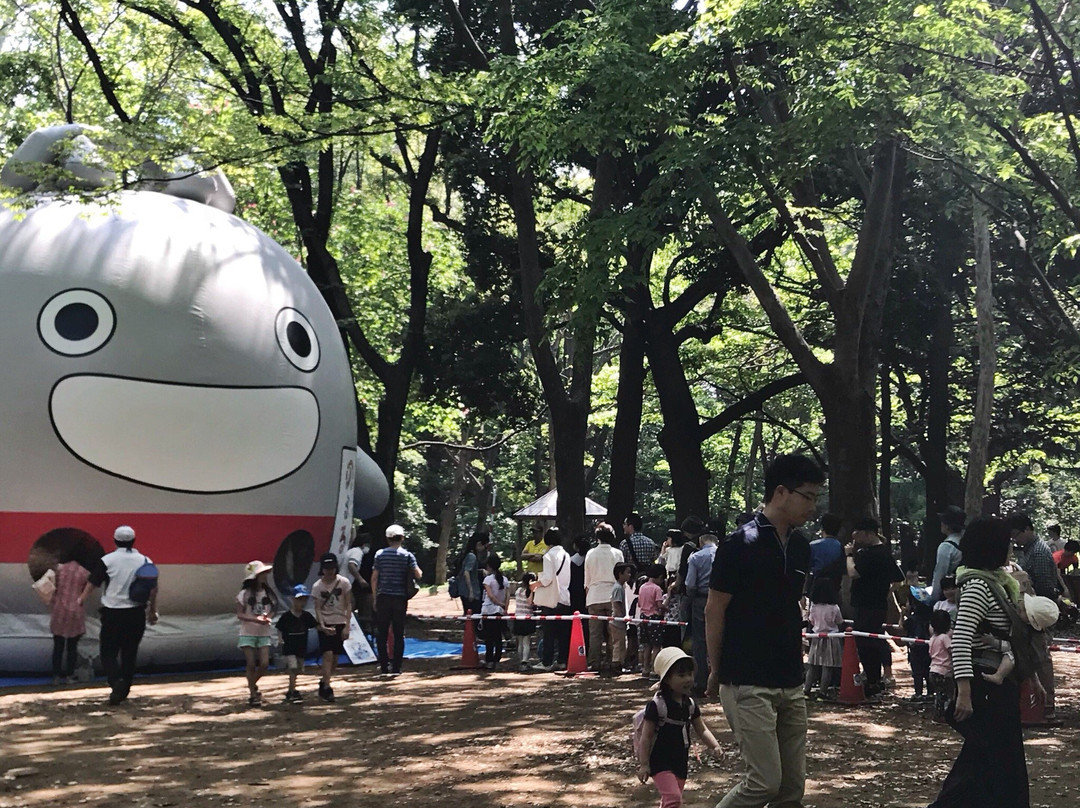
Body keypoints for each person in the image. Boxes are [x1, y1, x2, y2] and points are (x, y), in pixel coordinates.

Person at [706, 453, 826, 808]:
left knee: (791, 790)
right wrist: (716, 669)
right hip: (747, 677)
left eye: (817, 497)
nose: (813, 506)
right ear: (780, 492)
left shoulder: (803, 547)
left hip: (791, 678)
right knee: (763, 783)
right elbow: (715, 609)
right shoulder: (740, 543)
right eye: (808, 496)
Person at [926, 516, 1029, 808]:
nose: (1010, 548)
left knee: (985, 763)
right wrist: (965, 693)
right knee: (992, 763)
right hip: (985, 685)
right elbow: (961, 639)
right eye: (1005, 542)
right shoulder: (977, 587)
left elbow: (1003, 636)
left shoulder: (997, 583)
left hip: (997, 682)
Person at [80, 525, 158, 705]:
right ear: (134, 540)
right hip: (136, 612)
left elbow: (93, 583)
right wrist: (152, 611)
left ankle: (116, 682)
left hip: (113, 613)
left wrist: (81, 599)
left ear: (115, 541)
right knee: (130, 653)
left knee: (108, 652)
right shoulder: (145, 560)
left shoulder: (107, 560)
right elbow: (153, 589)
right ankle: (124, 690)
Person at [636, 647, 722, 808]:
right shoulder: (657, 706)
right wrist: (644, 764)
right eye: (681, 675)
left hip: (680, 760)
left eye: (689, 674)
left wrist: (714, 745)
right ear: (667, 679)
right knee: (674, 799)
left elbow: (701, 729)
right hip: (659, 760)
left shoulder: (689, 704)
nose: (688, 679)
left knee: (671, 800)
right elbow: (646, 737)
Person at [1007, 511, 1059, 720]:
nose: (1015, 540)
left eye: (1017, 534)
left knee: (1041, 659)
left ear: (1028, 529)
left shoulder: (1038, 552)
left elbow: (1045, 586)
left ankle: (1047, 706)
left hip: (1035, 613)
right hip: (1027, 612)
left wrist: (1036, 609)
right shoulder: (1028, 551)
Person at [847, 516, 904, 698]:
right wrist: (886, 591)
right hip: (876, 605)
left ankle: (873, 681)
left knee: (866, 642)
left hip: (867, 606)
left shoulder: (870, 554)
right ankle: (875, 679)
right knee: (873, 639)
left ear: (868, 533)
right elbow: (898, 578)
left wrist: (848, 555)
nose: (854, 535)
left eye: (857, 532)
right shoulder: (882, 552)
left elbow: (853, 573)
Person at [371, 524, 422, 676]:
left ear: (387, 539)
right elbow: (418, 574)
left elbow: (374, 578)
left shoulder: (380, 555)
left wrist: (375, 597)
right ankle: (396, 667)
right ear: (402, 538)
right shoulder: (407, 556)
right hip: (400, 598)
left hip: (383, 597)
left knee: (382, 633)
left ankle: (384, 666)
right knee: (399, 633)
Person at [236, 560, 278, 707]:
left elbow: (273, 608)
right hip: (248, 632)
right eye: (261, 574)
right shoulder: (244, 594)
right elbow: (239, 614)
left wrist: (268, 618)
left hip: (263, 632)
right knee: (251, 663)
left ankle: (252, 685)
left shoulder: (268, 593)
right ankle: (253, 694)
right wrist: (255, 619)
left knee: (265, 663)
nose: (264, 576)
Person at [584, 522, 624, 672]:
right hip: (613, 595)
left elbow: (587, 580)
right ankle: (614, 661)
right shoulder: (617, 553)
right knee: (613, 632)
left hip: (594, 596)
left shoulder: (590, 554)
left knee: (595, 634)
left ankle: (594, 662)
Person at [530, 527, 571, 671]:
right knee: (563, 634)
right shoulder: (566, 555)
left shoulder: (548, 556)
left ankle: (546, 662)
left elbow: (547, 579)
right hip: (565, 597)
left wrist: (535, 584)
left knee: (548, 633)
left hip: (551, 598)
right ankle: (562, 660)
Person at [312, 552, 351, 700]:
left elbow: (348, 604)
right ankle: (327, 687)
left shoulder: (344, 583)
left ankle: (324, 681)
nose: (330, 571)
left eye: (332, 568)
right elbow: (317, 608)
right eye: (327, 568)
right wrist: (322, 625)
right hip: (326, 623)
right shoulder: (317, 586)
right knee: (327, 654)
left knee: (335, 657)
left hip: (340, 622)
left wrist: (347, 625)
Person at [684, 532, 718, 695]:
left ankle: (700, 682)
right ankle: (721, 679)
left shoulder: (695, 558)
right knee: (722, 637)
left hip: (700, 599)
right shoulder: (724, 555)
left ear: (700, 542)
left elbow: (690, 584)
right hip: (722, 599)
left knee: (700, 641)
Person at [50, 555, 90, 685]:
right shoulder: (84, 572)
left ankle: (56, 676)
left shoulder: (59, 569)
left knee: (58, 644)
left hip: (59, 608)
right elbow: (86, 590)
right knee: (72, 646)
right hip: (75, 610)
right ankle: (69, 675)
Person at [804, 576, 843, 700]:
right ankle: (822, 692)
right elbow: (839, 621)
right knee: (827, 667)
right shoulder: (834, 607)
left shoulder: (814, 606)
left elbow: (811, 620)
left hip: (816, 638)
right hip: (832, 638)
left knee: (813, 665)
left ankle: (806, 690)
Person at [276, 584, 317, 703]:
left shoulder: (306, 616)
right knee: (293, 667)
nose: (302, 603)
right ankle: (292, 690)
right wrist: (280, 639)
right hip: (289, 646)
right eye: (299, 600)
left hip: (301, 646)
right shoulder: (286, 616)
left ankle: (291, 689)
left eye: (304, 600)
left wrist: (326, 629)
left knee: (299, 668)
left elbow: (315, 625)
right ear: (293, 600)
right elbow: (279, 628)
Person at [899, 567, 934, 703]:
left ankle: (918, 693)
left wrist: (902, 615)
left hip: (915, 650)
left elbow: (902, 627)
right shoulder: (931, 618)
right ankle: (931, 693)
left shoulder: (913, 619)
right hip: (929, 651)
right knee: (928, 671)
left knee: (917, 673)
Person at [637, 564, 667, 678]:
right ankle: (655, 670)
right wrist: (666, 607)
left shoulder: (642, 587)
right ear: (659, 576)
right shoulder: (657, 589)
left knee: (647, 645)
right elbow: (659, 604)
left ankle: (645, 669)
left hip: (643, 617)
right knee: (656, 646)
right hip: (654, 618)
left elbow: (640, 603)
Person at [480, 553, 508, 670]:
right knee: (498, 637)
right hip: (499, 611)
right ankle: (497, 659)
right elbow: (507, 596)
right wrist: (504, 607)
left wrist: (499, 604)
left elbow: (490, 596)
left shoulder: (488, 579)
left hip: (488, 610)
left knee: (489, 637)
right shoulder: (505, 580)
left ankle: (489, 660)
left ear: (489, 566)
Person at [344, 533, 374, 638]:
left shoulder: (351, 551)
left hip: (346, 583)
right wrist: (360, 579)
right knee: (349, 607)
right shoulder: (357, 552)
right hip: (346, 584)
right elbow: (351, 565)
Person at [932, 506, 965, 601]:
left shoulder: (946, 546)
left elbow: (940, 574)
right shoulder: (966, 541)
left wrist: (934, 600)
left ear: (947, 525)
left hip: (949, 595)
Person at [928, 609, 954, 722]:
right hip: (944, 671)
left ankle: (937, 714)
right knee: (946, 694)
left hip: (933, 669)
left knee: (939, 694)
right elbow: (951, 650)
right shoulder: (944, 638)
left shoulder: (933, 638)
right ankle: (943, 715)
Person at [458, 532, 491, 617]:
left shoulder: (468, 554)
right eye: (484, 546)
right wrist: (471, 591)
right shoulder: (472, 556)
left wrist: (479, 571)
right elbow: (466, 572)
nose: (484, 549)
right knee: (474, 615)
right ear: (479, 544)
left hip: (464, 590)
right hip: (470, 591)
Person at [611, 562, 634, 674]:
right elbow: (617, 603)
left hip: (619, 621)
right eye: (627, 573)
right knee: (619, 644)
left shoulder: (621, 587)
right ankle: (617, 664)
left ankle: (619, 663)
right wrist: (622, 617)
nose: (629, 575)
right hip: (617, 621)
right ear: (620, 574)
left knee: (621, 643)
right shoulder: (618, 588)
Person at [513, 572, 537, 669]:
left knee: (520, 641)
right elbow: (530, 603)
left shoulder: (518, 590)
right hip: (527, 618)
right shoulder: (529, 592)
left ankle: (520, 661)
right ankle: (525, 661)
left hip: (517, 617)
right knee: (526, 642)